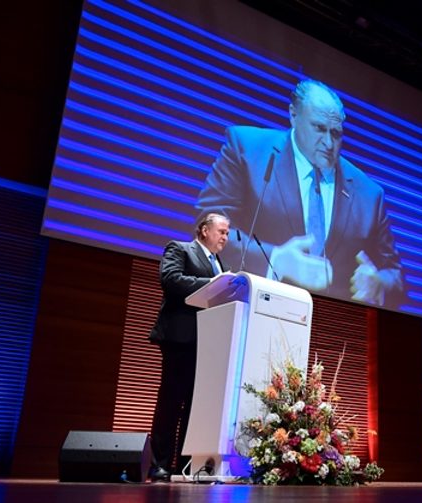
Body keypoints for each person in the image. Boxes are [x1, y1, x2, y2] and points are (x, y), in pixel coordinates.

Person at [196, 79, 404, 307]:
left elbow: (395, 274)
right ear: (293, 115)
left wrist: (380, 283)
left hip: (332, 324)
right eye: (319, 128)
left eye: (336, 133)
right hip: (253, 308)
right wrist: (276, 260)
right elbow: (207, 225)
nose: (328, 143)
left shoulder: (369, 194)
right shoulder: (247, 149)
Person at [148, 212, 230, 481]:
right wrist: (212, 284)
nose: (225, 238)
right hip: (180, 337)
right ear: (204, 230)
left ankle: (184, 465)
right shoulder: (180, 249)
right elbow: (170, 280)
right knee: (171, 402)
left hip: (208, 344)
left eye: (227, 233)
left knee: (195, 408)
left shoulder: (219, 264)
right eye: (222, 232)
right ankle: (159, 463)